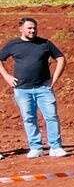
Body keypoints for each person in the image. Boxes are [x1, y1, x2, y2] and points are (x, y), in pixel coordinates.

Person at [0, 18, 68, 159]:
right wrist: (6, 76)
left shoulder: (45, 43)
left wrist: (54, 79)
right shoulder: (13, 44)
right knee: (29, 118)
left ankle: (55, 146)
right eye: (29, 28)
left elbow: (61, 58)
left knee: (51, 116)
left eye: (34, 28)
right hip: (22, 90)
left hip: (44, 88)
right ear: (21, 29)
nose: (33, 30)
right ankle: (36, 147)